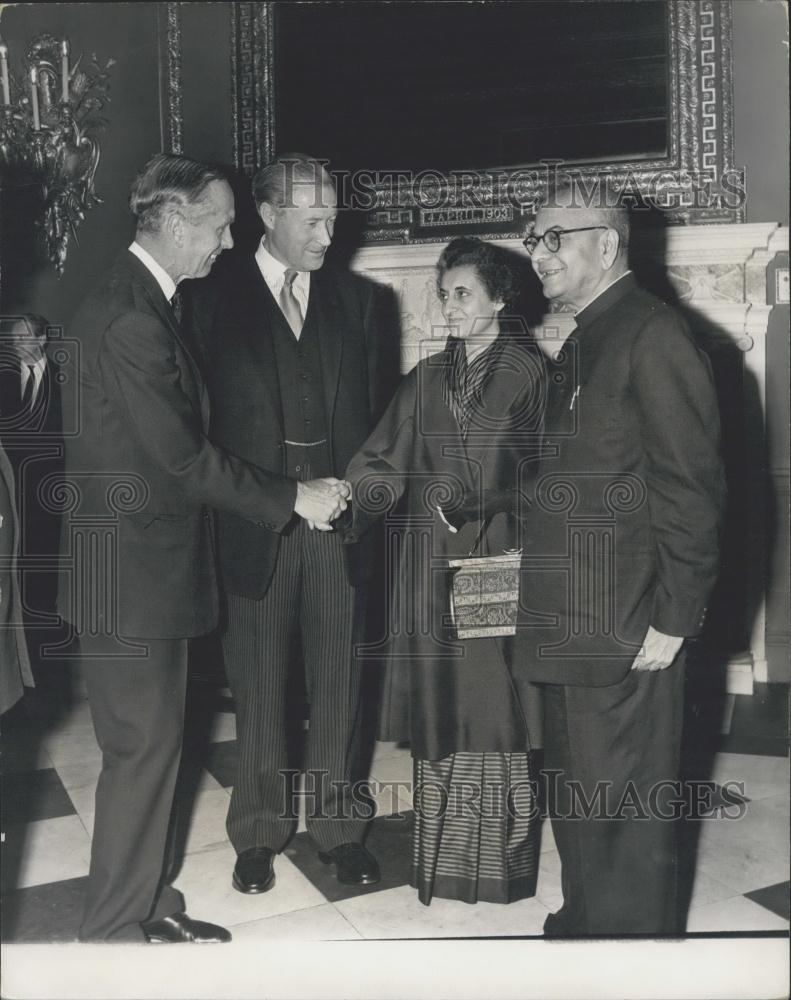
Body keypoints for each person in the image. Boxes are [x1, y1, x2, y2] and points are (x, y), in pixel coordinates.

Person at [59, 153, 348, 944]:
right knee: (140, 754)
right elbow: (182, 457)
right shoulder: (129, 317)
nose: (228, 241)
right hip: (131, 579)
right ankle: (115, 933)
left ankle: (145, 901)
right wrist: (294, 496)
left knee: (152, 752)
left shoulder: (146, 302)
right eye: (220, 225)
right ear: (177, 222)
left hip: (141, 571)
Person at [516, 181, 726, 936]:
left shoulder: (653, 334)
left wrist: (674, 617)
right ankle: (588, 920)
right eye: (532, 238)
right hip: (572, 625)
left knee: (627, 813)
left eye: (552, 238)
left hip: (627, 625)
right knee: (581, 794)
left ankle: (632, 954)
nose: (536, 254)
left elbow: (691, 489)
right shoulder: (586, 334)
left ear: (604, 246)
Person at [188, 153, 392, 894]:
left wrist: (356, 496)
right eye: (312, 219)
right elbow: (195, 431)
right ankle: (259, 832)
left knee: (340, 685)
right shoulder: (206, 300)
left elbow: (380, 429)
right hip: (255, 528)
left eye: (333, 217)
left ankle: (340, 829)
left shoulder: (364, 303)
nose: (327, 233)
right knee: (260, 687)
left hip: (338, 529)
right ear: (268, 216)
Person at [343, 236, 545, 905]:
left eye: (462, 292)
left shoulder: (530, 374)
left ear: (498, 298)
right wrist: (341, 502)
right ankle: (441, 863)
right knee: (441, 707)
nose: (448, 305)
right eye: (444, 292)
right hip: (427, 569)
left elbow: (555, 477)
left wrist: (491, 503)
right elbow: (381, 459)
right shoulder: (425, 378)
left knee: (492, 712)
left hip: (498, 564)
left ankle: (497, 864)